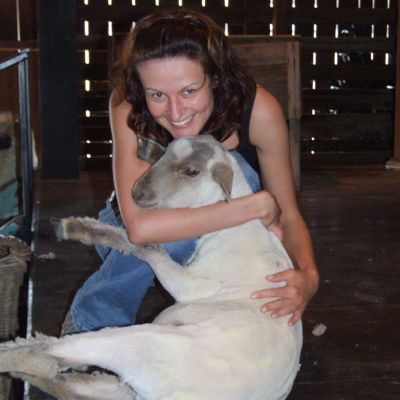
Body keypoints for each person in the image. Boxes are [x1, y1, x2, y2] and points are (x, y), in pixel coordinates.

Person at [62, 9, 319, 335]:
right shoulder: (126, 105)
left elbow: (289, 215)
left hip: (218, 243)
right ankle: (87, 324)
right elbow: (140, 229)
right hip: (126, 235)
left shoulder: (259, 111)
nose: (175, 112)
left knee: (232, 168)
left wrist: (309, 276)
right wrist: (255, 206)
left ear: (215, 77)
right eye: (157, 95)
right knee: (184, 217)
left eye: (188, 91)